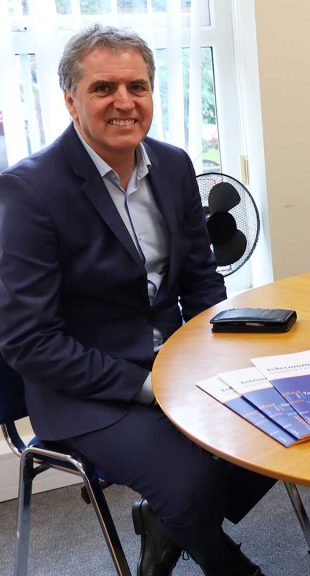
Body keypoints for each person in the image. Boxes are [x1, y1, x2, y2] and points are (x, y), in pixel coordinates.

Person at [0, 25, 273, 576]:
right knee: (189, 477)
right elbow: (29, 341)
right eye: (104, 88)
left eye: (138, 86)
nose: (124, 102)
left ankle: (164, 521)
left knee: (281, 423)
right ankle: (226, 561)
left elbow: (200, 279)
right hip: (82, 390)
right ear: (71, 100)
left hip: (172, 361)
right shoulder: (28, 193)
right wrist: (150, 386)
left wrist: (216, 353)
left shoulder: (172, 166)